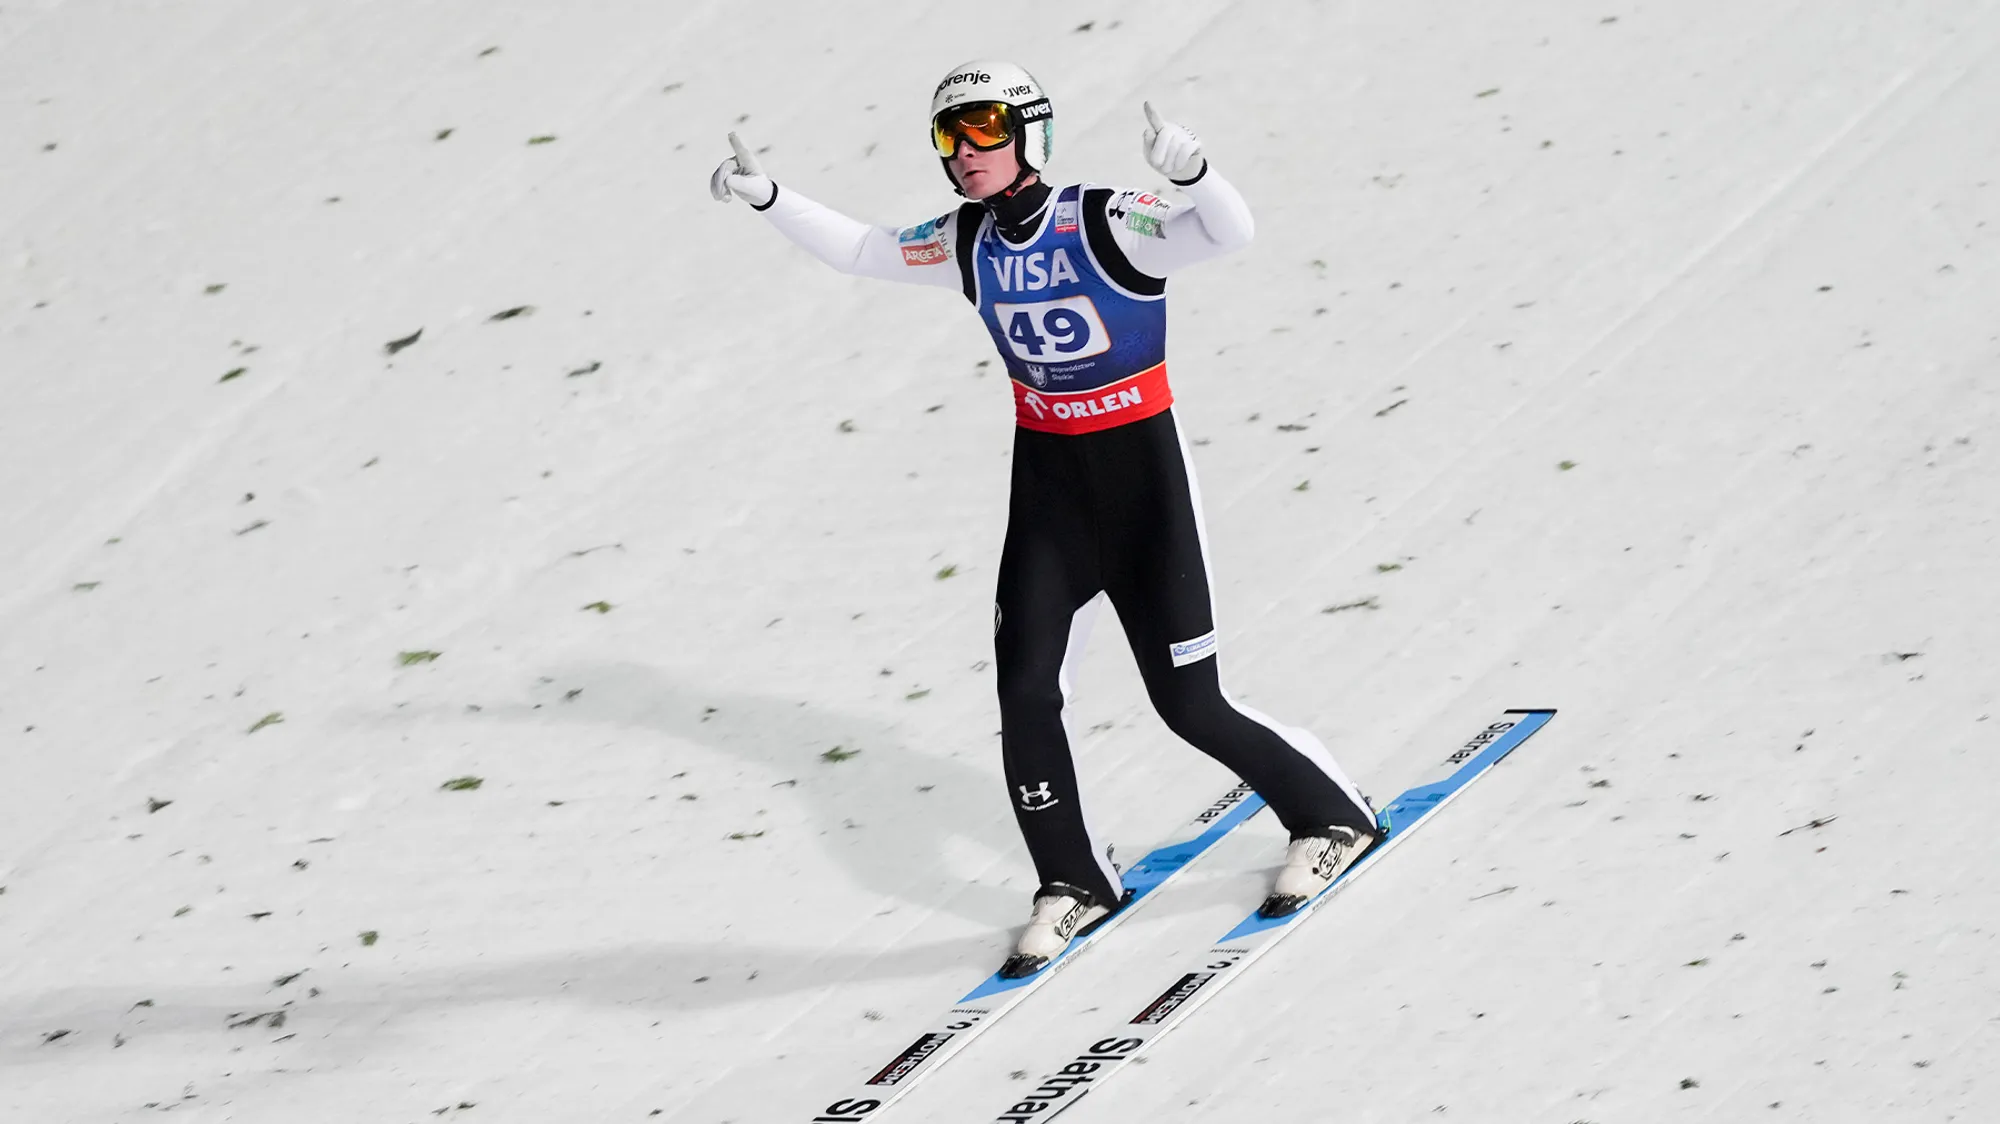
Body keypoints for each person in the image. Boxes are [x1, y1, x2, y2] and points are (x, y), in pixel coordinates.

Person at [711, 60, 1379, 978]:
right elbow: (866, 250)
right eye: (951, 133)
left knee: (1189, 703)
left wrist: (1194, 176)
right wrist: (770, 197)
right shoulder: (963, 242)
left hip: (1143, 482)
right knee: (1023, 690)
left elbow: (1229, 233)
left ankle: (1329, 815)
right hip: (1052, 491)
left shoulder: (1106, 220)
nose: (968, 150)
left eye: (987, 127)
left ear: (1032, 133)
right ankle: (1071, 879)